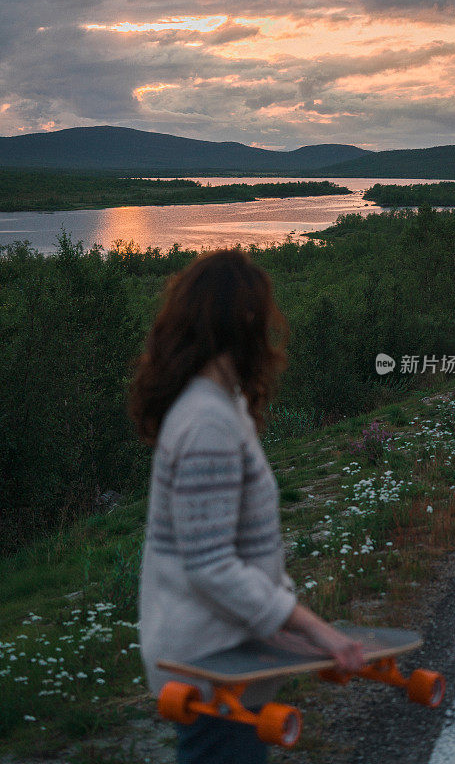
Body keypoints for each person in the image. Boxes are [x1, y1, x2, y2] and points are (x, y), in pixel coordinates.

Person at [129, 249, 363, 763]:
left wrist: (278, 628)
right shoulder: (206, 422)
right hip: (213, 666)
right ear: (246, 321)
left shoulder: (219, 405)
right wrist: (313, 626)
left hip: (230, 654)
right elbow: (210, 565)